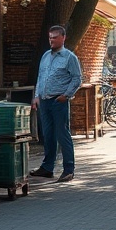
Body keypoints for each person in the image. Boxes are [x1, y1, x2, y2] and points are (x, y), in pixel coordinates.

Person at [30, 25, 82, 182]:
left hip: (58, 101)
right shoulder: (45, 55)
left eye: (54, 37)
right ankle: (47, 168)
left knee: (62, 134)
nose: (51, 40)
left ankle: (68, 169)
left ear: (63, 38)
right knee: (47, 135)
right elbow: (41, 77)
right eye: (50, 37)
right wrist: (37, 96)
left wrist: (66, 95)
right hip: (44, 101)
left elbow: (77, 78)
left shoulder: (69, 57)